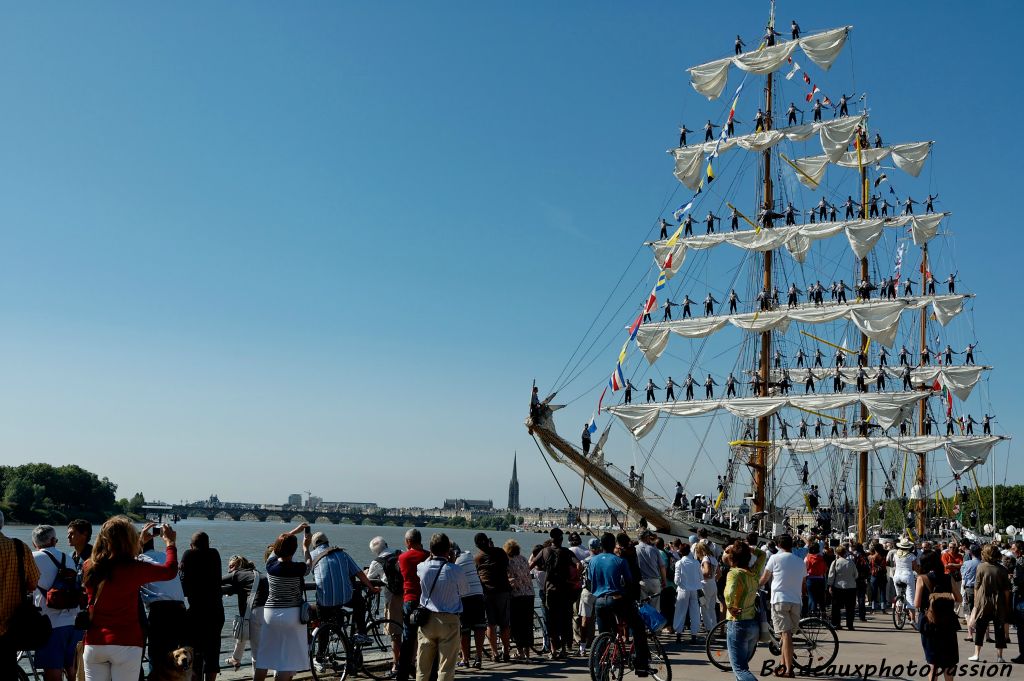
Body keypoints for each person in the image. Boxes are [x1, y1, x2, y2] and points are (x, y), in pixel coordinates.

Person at [81, 517, 177, 681]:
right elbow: (170, 571)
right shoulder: (135, 568)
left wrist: (140, 542)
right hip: (127, 642)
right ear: (129, 539)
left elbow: (114, 561)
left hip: (95, 642)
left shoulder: (90, 566)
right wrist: (170, 543)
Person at [588, 532, 652, 677]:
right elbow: (629, 582)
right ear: (613, 545)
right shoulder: (619, 561)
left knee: (603, 638)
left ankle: (600, 672)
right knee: (638, 626)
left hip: (598, 601)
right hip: (616, 599)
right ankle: (642, 665)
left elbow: (590, 580)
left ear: (600, 545)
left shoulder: (593, 561)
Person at [31, 524, 82, 681]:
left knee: (53, 671)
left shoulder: (32, 558)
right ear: (54, 540)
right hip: (74, 621)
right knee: (73, 669)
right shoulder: (68, 558)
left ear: (34, 543)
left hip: (50, 624)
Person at [262, 524, 312, 681]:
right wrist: (305, 546)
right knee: (287, 660)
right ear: (294, 550)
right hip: (292, 614)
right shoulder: (298, 568)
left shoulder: (270, 565)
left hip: (270, 613)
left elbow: (276, 548)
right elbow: (309, 564)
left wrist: (292, 532)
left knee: (264, 655)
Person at [416, 533, 468, 681]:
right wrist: (451, 561)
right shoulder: (455, 570)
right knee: (446, 667)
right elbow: (465, 591)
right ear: (449, 550)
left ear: (431, 550)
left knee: (422, 668)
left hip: (427, 620)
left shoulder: (422, 567)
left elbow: (425, 563)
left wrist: (431, 556)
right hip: (449, 620)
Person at [138, 526, 188, 677]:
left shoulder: (138, 560)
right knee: (175, 657)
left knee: (157, 657)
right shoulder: (166, 557)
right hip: (180, 609)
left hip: (161, 612)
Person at [180, 531, 225, 681]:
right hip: (216, 612)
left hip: (196, 612)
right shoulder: (215, 554)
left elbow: (182, 584)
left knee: (194, 653)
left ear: (191, 545)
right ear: (208, 543)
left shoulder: (188, 554)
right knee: (212, 652)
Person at [760, 534, 804, 676]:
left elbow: (765, 577)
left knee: (785, 634)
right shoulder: (800, 561)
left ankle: (789, 669)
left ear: (778, 546)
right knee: (786, 636)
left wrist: (755, 586)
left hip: (780, 599)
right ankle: (782, 665)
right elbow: (803, 582)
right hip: (796, 600)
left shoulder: (774, 558)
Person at [723, 540, 767, 681]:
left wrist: (730, 606)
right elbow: (763, 555)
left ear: (732, 558)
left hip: (738, 623)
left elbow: (729, 593)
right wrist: (749, 548)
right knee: (743, 667)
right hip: (753, 624)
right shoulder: (753, 573)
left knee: (740, 669)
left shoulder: (734, 573)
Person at [530, 528, 576, 659]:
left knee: (551, 621)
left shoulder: (545, 551)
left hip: (550, 591)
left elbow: (531, 565)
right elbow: (579, 566)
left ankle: (553, 650)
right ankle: (564, 650)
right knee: (564, 620)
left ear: (551, 539)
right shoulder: (566, 552)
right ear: (561, 539)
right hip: (565, 591)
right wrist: (573, 579)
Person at [917, 549, 961, 678]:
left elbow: (917, 604)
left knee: (933, 662)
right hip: (948, 621)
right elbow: (959, 598)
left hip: (929, 623)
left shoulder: (922, 579)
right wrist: (945, 596)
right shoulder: (948, 577)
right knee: (949, 661)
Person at [222, 555, 269, 676]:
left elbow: (217, 580)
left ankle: (257, 678)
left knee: (256, 653)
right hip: (269, 611)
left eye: (231, 566)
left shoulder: (237, 574)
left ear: (238, 566)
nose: (229, 570)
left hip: (256, 612)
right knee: (256, 643)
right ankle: (236, 659)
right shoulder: (255, 573)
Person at [366, 537, 404, 675]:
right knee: (412, 631)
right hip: (409, 596)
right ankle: (411, 661)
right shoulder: (400, 552)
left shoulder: (376, 562)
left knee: (395, 634)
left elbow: (369, 578)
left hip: (393, 598)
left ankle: (396, 665)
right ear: (386, 544)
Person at [968, 544, 1012, 664]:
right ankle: (1000, 656)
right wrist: (1007, 605)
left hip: (984, 600)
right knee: (999, 629)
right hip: (999, 601)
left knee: (981, 627)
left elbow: (977, 586)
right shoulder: (1002, 569)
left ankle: (976, 654)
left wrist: (976, 604)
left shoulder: (981, 567)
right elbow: (1006, 590)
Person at [397, 529, 431, 681]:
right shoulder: (427, 556)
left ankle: (402, 674)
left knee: (407, 639)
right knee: (427, 638)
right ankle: (425, 672)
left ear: (408, 542)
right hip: (426, 602)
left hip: (409, 600)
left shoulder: (403, 557)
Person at [473, 532, 512, 662]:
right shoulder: (500, 552)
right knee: (505, 624)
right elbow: (507, 566)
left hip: (487, 592)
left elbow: (477, 573)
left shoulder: (478, 558)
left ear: (477, 545)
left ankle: (494, 653)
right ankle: (506, 651)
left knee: (491, 624)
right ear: (488, 541)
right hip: (503, 591)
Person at [453, 543, 485, 668]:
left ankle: (465, 659)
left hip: (464, 597)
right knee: (479, 627)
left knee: (464, 629)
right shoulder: (468, 555)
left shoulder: (454, 563)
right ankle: (478, 658)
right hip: (478, 594)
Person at [504, 540, 534, 661]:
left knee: (517, 625)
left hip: (517, 596)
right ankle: (527, 654)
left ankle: (520, 652)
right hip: (529, 594)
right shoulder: (523, 559)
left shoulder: (508, 561)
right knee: (527, 624)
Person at [673, 543, 702, 641]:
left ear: (681, 552)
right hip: (694, 590)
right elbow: (701, 577)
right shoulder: (697, 563)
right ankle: (694, 634)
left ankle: (678, 634)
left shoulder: (679, 563)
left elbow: (676, 580)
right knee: (695, 612)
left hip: (683, 589)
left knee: (680, 612)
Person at [827, 544, 858, 631]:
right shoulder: (851, 562)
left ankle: (836, 623)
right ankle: (850, 624)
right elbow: (856, 574)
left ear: (837, 553)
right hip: (851, 587)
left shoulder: (835, 562)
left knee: (836, 607)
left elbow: (831, 575)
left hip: (838, 587)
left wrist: (830, 585)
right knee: (850, 607)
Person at [635, 530, 666, 613]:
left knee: (643, 607)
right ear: (647, 538)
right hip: (654, 581)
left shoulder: (635, 549)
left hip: (642, 581)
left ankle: (645, 625)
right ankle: (656, 625)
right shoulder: (654, 549)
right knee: (655, 607)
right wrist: (664, 580)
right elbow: (662, 566)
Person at [893, 538, 920, 621]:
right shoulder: (911, 556)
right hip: (907, 576)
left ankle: (898, 618)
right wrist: (920, 573)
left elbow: (895, 564)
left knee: (898, 596)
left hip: (897, 576)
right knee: (910, 598)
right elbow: (915, 568)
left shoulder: (896, 554)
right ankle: (913, 620)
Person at [695, 542, 719, 631]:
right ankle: (714, 628)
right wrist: (713, 578)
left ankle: (709, 630)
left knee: (704, 608)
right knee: (712, 609)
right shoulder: (713, 558)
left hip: (705, 584)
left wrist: (698, 576)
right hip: (713, 584)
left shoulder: (705, 559)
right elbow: (719, 573)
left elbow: (707, 572)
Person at [804, 542, 827, 616]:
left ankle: (812, 613)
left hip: (810, 579)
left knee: (811, 597)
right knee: (821, 598)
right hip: (820, 579)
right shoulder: (821, 557)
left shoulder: (807, 558)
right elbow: (825, 569)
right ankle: (823, 613)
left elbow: (804, 570)